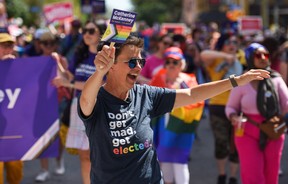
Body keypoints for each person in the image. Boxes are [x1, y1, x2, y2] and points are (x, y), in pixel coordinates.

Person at [78, 35, 270, 184]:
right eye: (131, 62)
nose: (137, 67)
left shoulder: (146, 95)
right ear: (111, 66)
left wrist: (236, 81)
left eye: (140, 62)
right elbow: (86, 100)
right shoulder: (97, 101)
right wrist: (99, 71)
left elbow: (191, 95)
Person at [225, 43, 288, 184]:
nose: (263, 58)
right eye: (258, 55)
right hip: (247, 131)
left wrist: (283, 118)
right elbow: (230, 107)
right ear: (249, 58)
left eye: (266, 54)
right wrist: (233, 117)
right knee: (253, 175)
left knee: (271, 174)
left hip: (274, 130)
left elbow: (286, 104)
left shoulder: (276, 79)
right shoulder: (241, 81)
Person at [53, 20, 106, 184]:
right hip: (79, 106)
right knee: (84, 154)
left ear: (101, 34)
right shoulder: (79, 54)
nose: (86, 34)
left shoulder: (106, 57)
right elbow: (69, 77)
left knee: (99, 155)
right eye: (85, 31)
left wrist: (68, 83)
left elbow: (99, 84)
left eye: (91, 31)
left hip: (99, 107)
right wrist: (57, 63)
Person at [150, 47, 204, 184]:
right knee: (164, 159)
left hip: (181, 125)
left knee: (180, 161)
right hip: (162, 124)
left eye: (175, 62)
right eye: (168, 62)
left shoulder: (188, 80)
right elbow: (150, 97)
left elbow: (197, 102)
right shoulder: (159, 78)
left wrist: (176, 107)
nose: (171, 65)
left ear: (181, 64)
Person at [200, 33, 243, 184]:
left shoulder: (242, 58)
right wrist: (225, 56)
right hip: (218, 106)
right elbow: (203, 54)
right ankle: (222, 175)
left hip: (239, 107)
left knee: (236, 144)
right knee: (221, 143)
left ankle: (232, 177)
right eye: (229, 42)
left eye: (235, 42)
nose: (232, 44)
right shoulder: (216, 58)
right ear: (223, 44)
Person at [34, 31, 68, 182]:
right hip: (41, 103)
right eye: (45, 43)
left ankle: (59, 159)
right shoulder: (34, 62)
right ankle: (44, 169)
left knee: (58, 136)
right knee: (43, 137)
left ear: (55, 45)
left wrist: (58, 63)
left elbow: (67, 79)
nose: (48, 46)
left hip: (59, 102)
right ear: (40, 45)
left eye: (51, 43)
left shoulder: (61, 59)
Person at [0, 32, 23, 184]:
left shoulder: (21, 68)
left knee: (15, 171)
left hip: (13, 130)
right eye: (3, 46)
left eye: (10, 45)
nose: (8, 49)